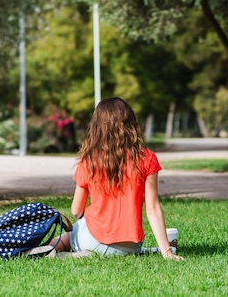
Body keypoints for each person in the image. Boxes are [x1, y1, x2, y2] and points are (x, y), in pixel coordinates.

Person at [52, 97, 183, 260]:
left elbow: (76, 210)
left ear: (97, 127)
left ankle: (49, 251)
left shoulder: (89, 160)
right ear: (131, 125)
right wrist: (167, 252)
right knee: (108, 242)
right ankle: (158, 249)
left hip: (92, 240)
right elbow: (153, 209)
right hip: (131, 247)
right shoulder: (147, 158)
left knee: (68, 237)